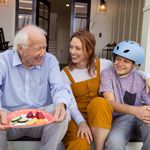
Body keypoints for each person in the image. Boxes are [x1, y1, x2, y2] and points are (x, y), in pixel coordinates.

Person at [0, 25, 71, 150]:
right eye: (38, 49)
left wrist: (61, 103)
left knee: (62, 112)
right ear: (21, 49)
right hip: (9, 121)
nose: (43, 53)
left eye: (44, 48)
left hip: (40, 120)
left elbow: (58, 87)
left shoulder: (50, 60)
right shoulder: (4, 60)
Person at [100, 40, 150, 150]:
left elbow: (148, 103)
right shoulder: (107, 74)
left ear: (134, 65)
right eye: (118, 59)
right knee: (114, 142)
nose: (120, 64)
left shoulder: (140, 78)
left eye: (126, 61)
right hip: (120, 119)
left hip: (140, 117)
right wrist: (136, 111)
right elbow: (110, 102)